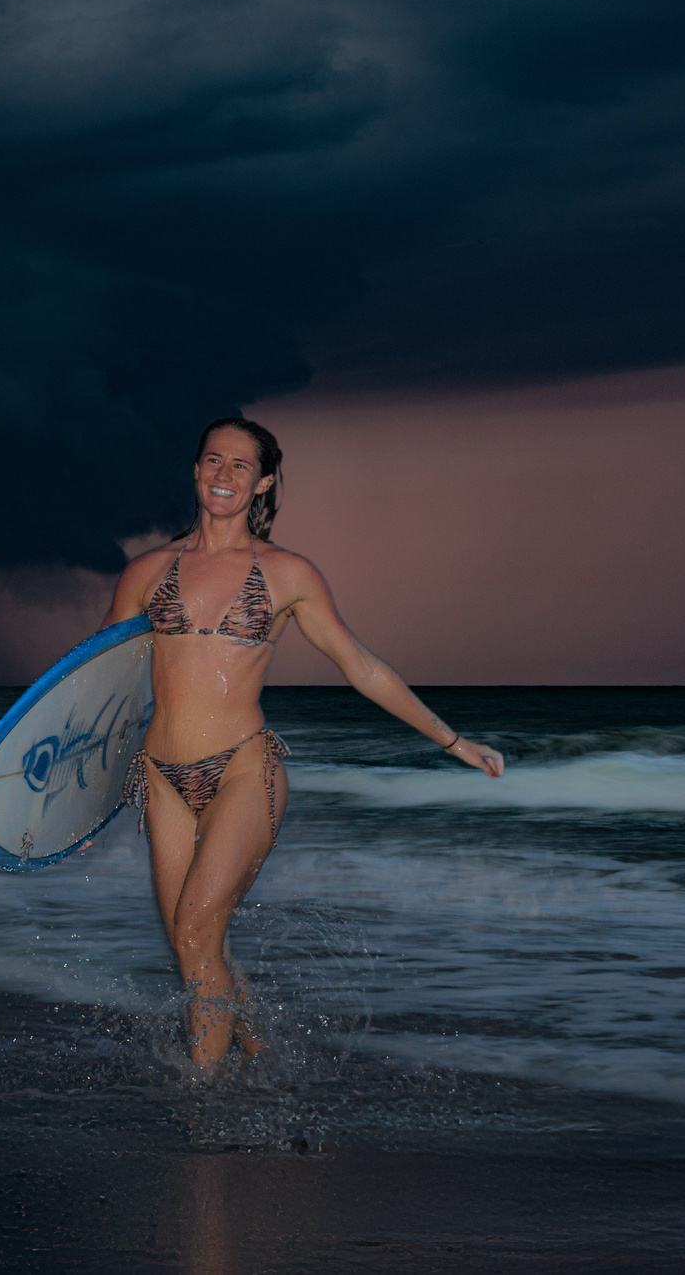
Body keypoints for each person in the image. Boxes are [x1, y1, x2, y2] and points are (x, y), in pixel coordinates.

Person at [105, 417, 503, 1066]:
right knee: (193, 946)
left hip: (243, 768)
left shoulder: (288, 573)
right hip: (161, 777)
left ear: (263, 482)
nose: (224, 475)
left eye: (240, 466)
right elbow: (100, 687)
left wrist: (453, 740)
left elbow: (362, 666)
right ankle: (263, 1061)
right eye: (213, 460)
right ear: (195, 469)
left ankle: (203, 1113)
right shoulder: (147, 571)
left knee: (197, 926)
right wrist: (77, 801)